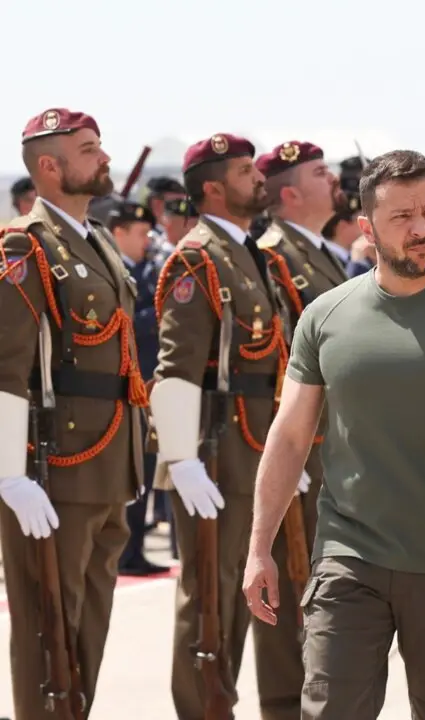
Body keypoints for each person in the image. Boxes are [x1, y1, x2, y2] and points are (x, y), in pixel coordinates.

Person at [242, 149, 425, 720]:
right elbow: (290, 435)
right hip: (349, 560)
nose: (423, 229)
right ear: (368, 229)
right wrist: (258, 550)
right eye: (403, 217)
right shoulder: (325, 317)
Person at [0, 107, 146, 719]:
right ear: (50, 166)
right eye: (89, 149)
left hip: (108, 464)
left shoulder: (95, 241)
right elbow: (5, 366)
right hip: (56, 465)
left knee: (88, 629)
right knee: (47, 630)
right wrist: (10, 472)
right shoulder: (23, 244)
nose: (104, 158)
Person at [147, 133, 284, 720]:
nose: (259, 178)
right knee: (209, 598)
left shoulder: (250, 253)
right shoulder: (197, 258)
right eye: (246, 170)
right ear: (212, 188)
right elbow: (175, 370)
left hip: (254, 446)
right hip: (217, 449)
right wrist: (181, 460)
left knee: (237, 595)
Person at [250, 139, 347, 720]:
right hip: (301, 451)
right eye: (319, 172)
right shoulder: (271, 255)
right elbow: (268, 360)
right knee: (290, 589)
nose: (332, 177)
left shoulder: (321, 253)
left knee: (326, 592)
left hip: (335, 447)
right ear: (289, 193)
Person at [107, 199, 171, 576]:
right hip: (122, 389)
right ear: (119, 233)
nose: (148, 240)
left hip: (147, 388)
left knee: (144, 474)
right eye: (140, 233)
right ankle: (123, 552)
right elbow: (122, 321)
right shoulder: (114, 270)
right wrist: (164, 314)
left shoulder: (146, 271)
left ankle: (134, 550)